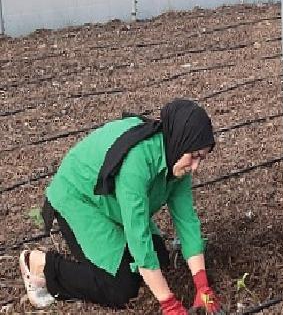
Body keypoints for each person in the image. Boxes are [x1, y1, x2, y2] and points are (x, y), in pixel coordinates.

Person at [18, 99, 225, 315]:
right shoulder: (138, 161)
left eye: (201, 158)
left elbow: (187, 221)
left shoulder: (177, 156)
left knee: (160, 260)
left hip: (113, 203)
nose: (195, 166)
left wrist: (203, 287)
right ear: (181, 142)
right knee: (120, 288)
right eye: (194, 157)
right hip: (80, 198)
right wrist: (169, 304)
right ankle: (40, 265)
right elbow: (138, 234)